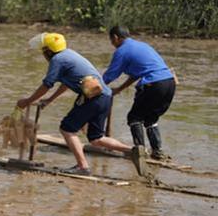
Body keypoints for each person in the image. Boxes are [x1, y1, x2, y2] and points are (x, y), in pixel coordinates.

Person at [16, 32, 137, 177]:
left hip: (93, 98)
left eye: (44, 51)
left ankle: (82, 166)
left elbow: (47, 85)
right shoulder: (70, 54)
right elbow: (64, 84)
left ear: (48, 51)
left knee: (67, 129)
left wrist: (27, 101)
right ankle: (132, 151)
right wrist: (49, 100)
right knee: (96, 138)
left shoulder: (58, 59)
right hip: (105, 97)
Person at [103, 25, 176, 161]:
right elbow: (137, 74)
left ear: (115, 38)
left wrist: (95, 88)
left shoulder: (122, 51)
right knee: (151, 119)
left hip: (153, 84)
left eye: (111, 41)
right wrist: (119, 89)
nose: (113, 44)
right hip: (169, 82)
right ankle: (157, 152)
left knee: (134, 118)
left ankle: (140, 152)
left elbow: (110, 75)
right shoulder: (142, 46)